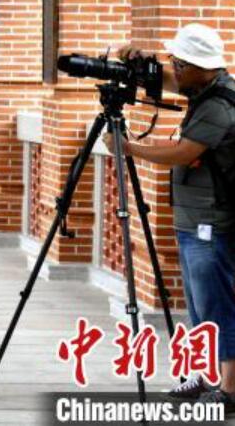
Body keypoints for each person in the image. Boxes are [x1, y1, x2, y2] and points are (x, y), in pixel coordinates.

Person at [106, 24, 235, 411]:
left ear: (200, 66)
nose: (173, 69)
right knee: (198, 304)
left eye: (180, 63)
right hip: (194, 218)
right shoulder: (204, 88)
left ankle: (229, 391)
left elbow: (183, 151)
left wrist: (128, 146)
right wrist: (132, 58)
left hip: (212, 220)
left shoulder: (219, 105)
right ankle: (202, 376)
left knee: (217, 305)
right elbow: (164, 79)